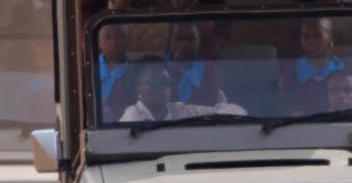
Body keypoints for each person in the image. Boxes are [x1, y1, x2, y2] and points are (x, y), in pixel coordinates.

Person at [117, 60, 245, 123]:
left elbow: (236, 112)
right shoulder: (131, 119)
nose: (164, 89)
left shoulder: (178, 110)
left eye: (168, 83)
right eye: (156, 84)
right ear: (137, 88)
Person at [277, 16, 346, 113]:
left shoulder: (345, 71)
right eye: (306, 37)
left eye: (318, 36)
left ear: (331, 40)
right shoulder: (290, 75)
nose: (311, 41)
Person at [164, 21, 226, 107]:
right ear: (169, 42)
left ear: (199, 42)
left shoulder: (208, 68)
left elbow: (212, 103)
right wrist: (175, 67)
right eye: (178, 38)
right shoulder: (160, 69)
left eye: (191, 39)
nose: (185, 44)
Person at [93, 20, 134, 122]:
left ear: (129, 40)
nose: (114, 42)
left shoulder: (137, 71)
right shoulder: (88, 70)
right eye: (107, 37)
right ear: (98, 42)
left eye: (120, 37)